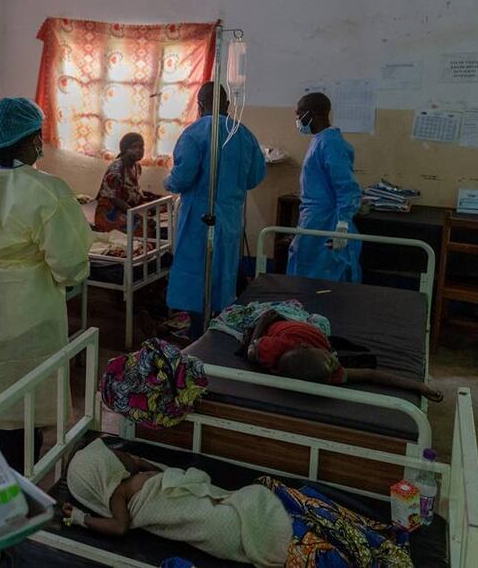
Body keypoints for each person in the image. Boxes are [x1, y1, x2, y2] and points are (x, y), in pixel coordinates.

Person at [0, 98, 92, 472]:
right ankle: (24, 475)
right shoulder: (47, 189)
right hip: (29, 304)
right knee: (28, 391)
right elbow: (71, 261)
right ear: (26, 140)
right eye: (38, 138)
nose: (40, 146)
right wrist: (64, 278)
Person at [62, 439, 292, 566]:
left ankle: (287, 538)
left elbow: (149, 467)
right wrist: (82, 518)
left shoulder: (130, 478)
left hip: (201, 500)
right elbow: (119, 526)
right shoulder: (118, 495)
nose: (117, 453)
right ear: (102, 470)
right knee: (238, 521)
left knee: (253, 502)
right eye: (111, 453)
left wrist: (137, 462)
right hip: (203, 519)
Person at [165, 82, 266, 339]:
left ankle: (198, 335)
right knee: (223, 275)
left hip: (201, 216)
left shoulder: (196, 133)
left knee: (198, 276)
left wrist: (169, 182)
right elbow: (254, 177)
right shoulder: (243, 134)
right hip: (231, 218)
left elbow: (182, 177)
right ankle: (219, 333)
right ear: (228, 105)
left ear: (200, 106)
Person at [213, 299, 443, 401]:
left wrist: (252, 341)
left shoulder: (278, 350)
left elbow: (262, 327)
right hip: (300, 330)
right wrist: (418, 386)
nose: (334, 359)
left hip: (292, 325)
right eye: (332, 360)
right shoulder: (322, 369)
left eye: (330, 359)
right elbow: (371, 375)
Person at [288, 92, 363, 282]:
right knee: (305, 270)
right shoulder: (321, 140)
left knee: (323, 277)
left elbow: (347, 188)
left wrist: (342, 226)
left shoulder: (331, 143)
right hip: (314, 220)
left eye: (300, 113)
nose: (298, 119)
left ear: (313, 113)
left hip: (326, 223)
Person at [94, 132, 159, 233]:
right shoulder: (116, 169)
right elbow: (114, 199)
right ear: (124, 149)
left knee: (161, 205)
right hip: (111, 210)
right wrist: (138, 215)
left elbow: (132, 190)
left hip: (128, 206)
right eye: (133, 147)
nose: (139, 150)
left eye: (141, 147)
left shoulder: (137, 166)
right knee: (143, 229)